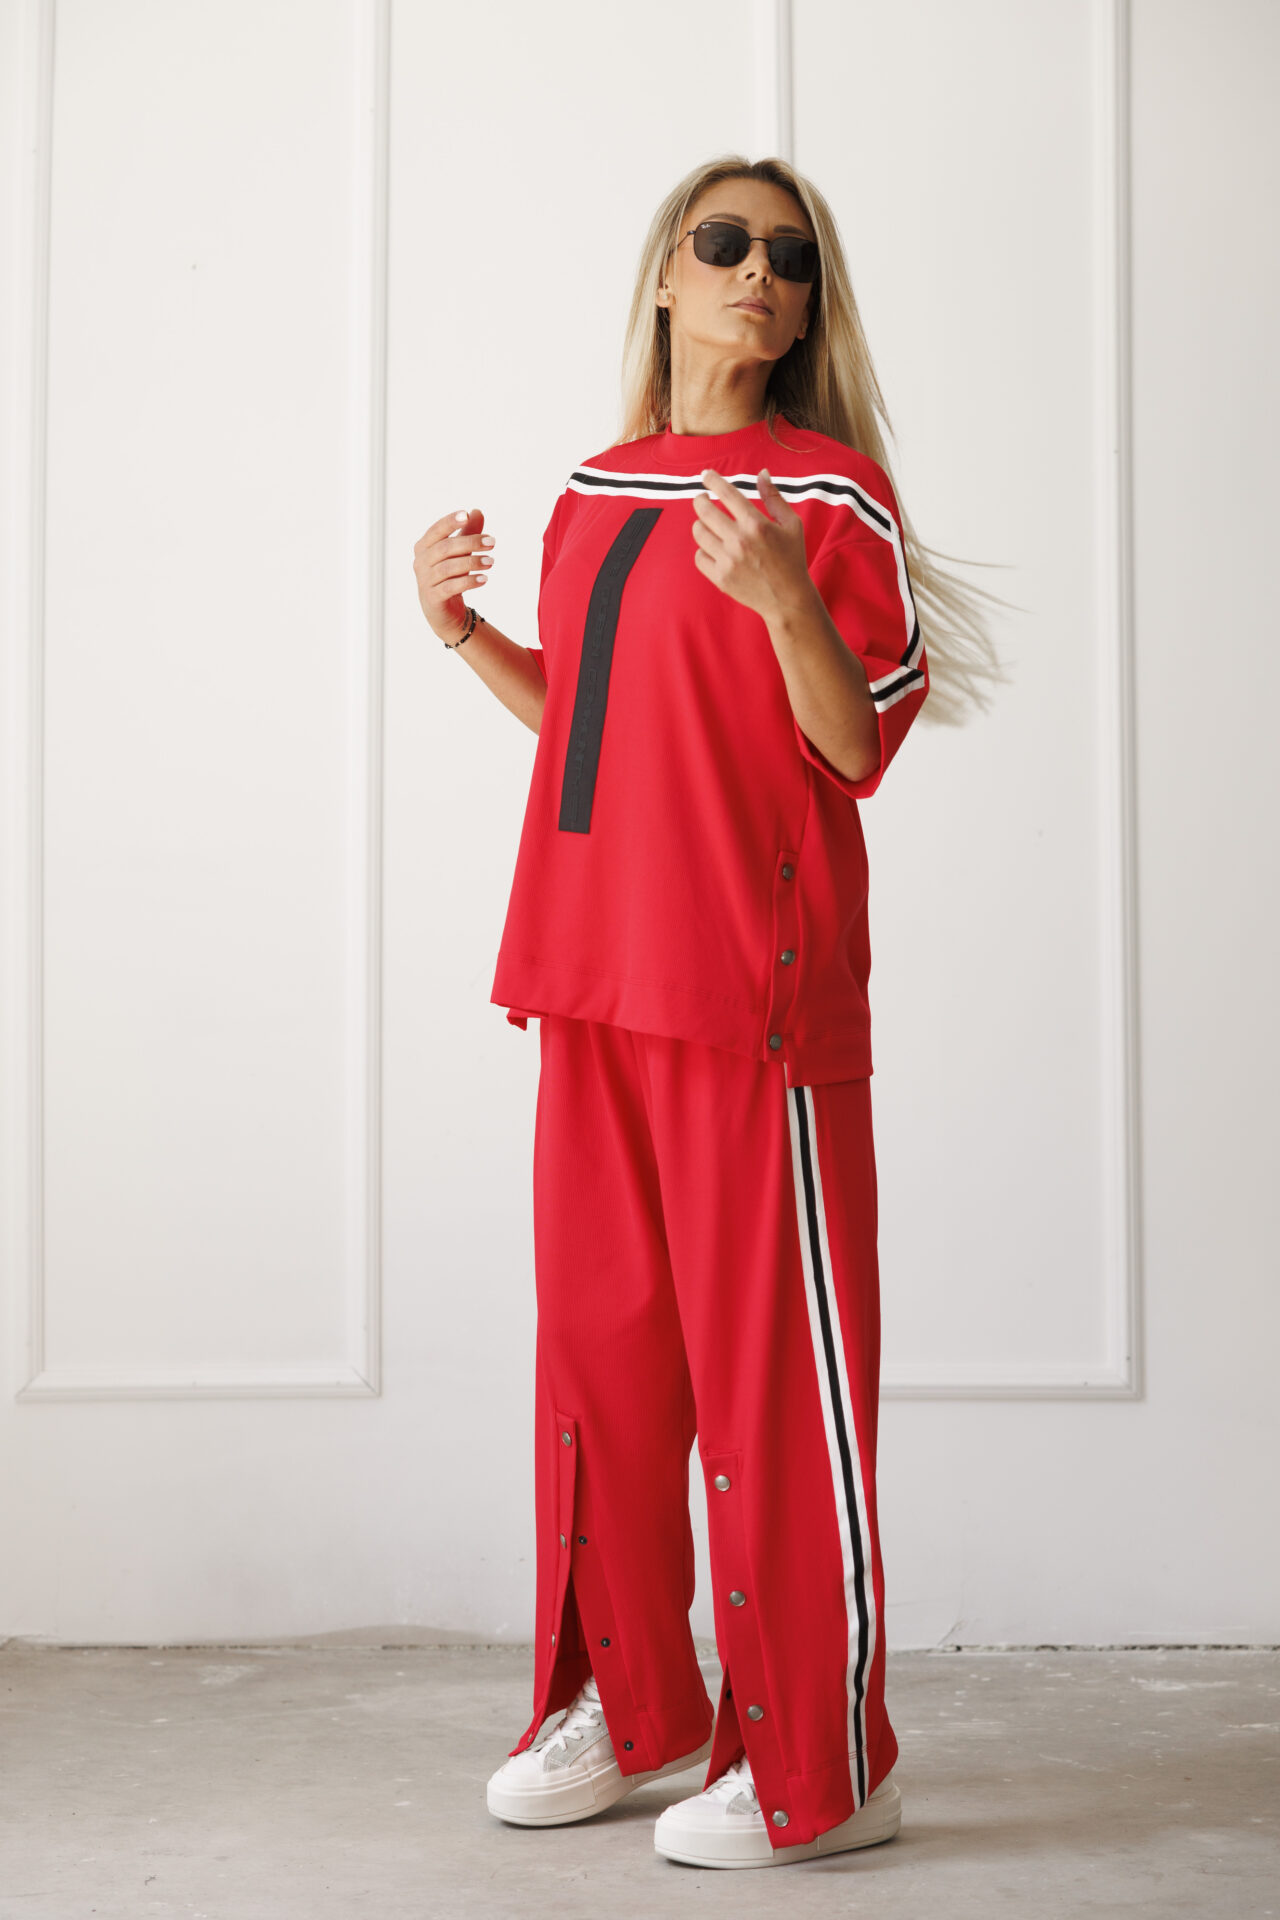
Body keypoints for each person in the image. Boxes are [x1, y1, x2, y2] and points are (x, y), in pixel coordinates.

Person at [413, 154, 1003, 1872]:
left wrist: (787, 600)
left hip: (757, 996)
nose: (760, 273)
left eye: (791, 258)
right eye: (726, 242)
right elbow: (594, 726)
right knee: (601, 1368)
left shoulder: (833, 494)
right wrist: (461, 634)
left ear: (809, 308)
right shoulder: (596, 489)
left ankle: (825, 1761)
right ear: (667, 274)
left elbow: (852, 744)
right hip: (588, 977)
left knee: (772, 1388)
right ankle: (634, 1707)